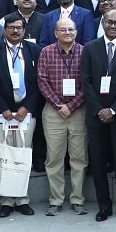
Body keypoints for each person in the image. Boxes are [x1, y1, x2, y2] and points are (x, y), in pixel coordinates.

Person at [81, 10, 116, 222]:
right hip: (96, 117)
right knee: (98, 164)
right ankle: (103, 206)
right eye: (109, 22)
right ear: (103, 23)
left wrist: (113, 110)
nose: (113, 26)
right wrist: (100, 110)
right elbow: (85, 82)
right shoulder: (89, 48)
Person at [0, 15, 40, 216]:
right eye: (11, 28)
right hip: (4, 115)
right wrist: (3, 108)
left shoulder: (34, 50)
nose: (15, 31)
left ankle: (23, 199)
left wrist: (27, 107)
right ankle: (6, 201)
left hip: (26, 113)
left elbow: (39, 83)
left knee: (24, 155)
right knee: (5, 155)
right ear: (5, 30)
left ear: (25, 30)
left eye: (19, 28)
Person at [38, 16, 89, 216]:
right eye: (63, 30)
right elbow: (42, 82)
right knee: (54, 158)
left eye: (71, 29)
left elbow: (88, 83)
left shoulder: (85, 52)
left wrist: (72, 105)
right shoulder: (46, 52)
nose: (67, 33)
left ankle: (77, 199)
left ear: (76, 32)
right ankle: (56, 200)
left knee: (79, 158)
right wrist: (59, 105)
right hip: (53, 112)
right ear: (55, 33)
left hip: (78, 111)